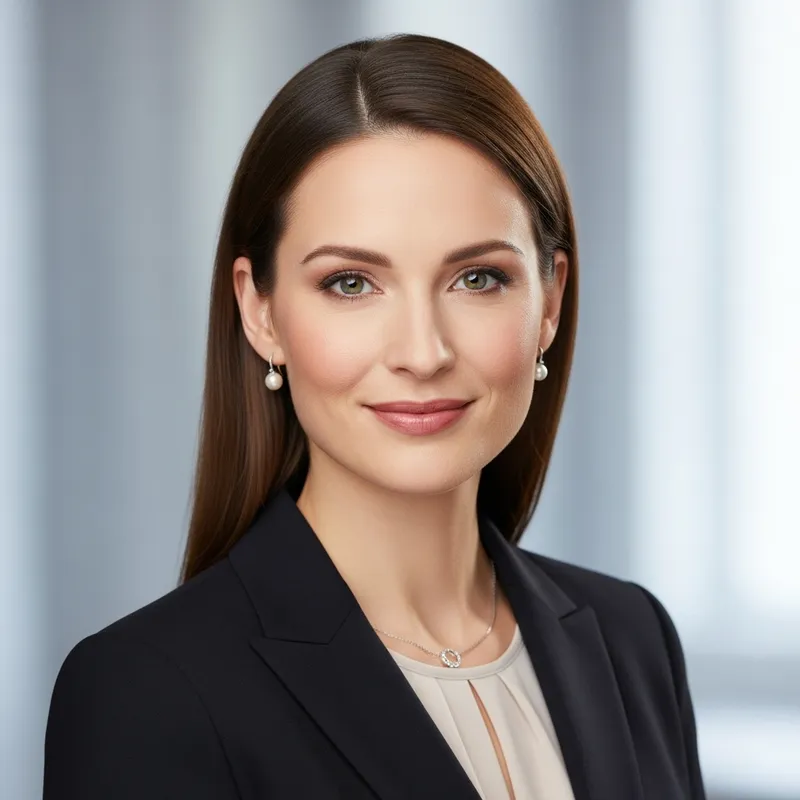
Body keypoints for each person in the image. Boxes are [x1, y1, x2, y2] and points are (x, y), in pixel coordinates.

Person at [43, 33, 706, 800]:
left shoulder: (633, 641)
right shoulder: (146, 692)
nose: (422, 353)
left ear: (550, 302)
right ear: (260, 312)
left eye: (478, 278)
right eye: (352, 283)